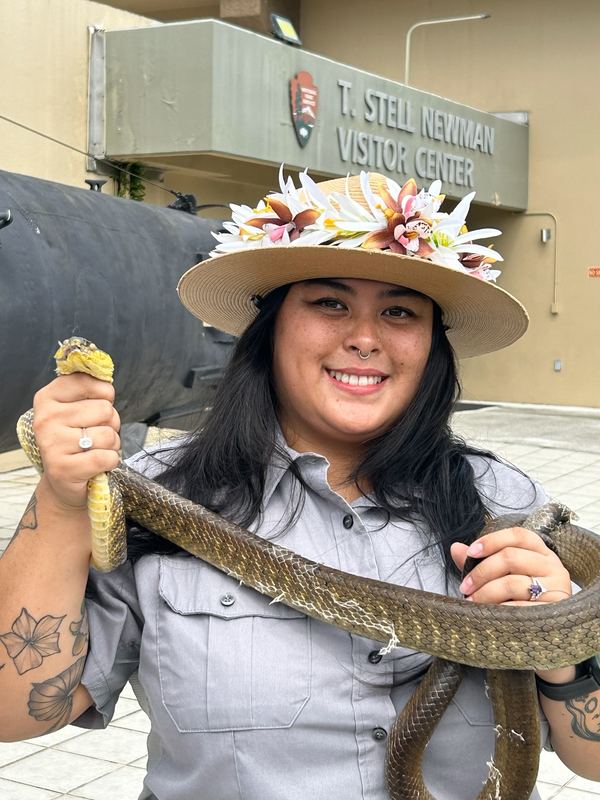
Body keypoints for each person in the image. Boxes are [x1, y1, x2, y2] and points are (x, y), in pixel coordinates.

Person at [0, 170, 598, 800]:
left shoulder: (502, 506)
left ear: (430, 346)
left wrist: (557, 637)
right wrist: (64, 499)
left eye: (399, 311)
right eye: (329, 303)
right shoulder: (156, 498)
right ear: (272, 327)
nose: (364, 338)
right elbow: (16, 712)